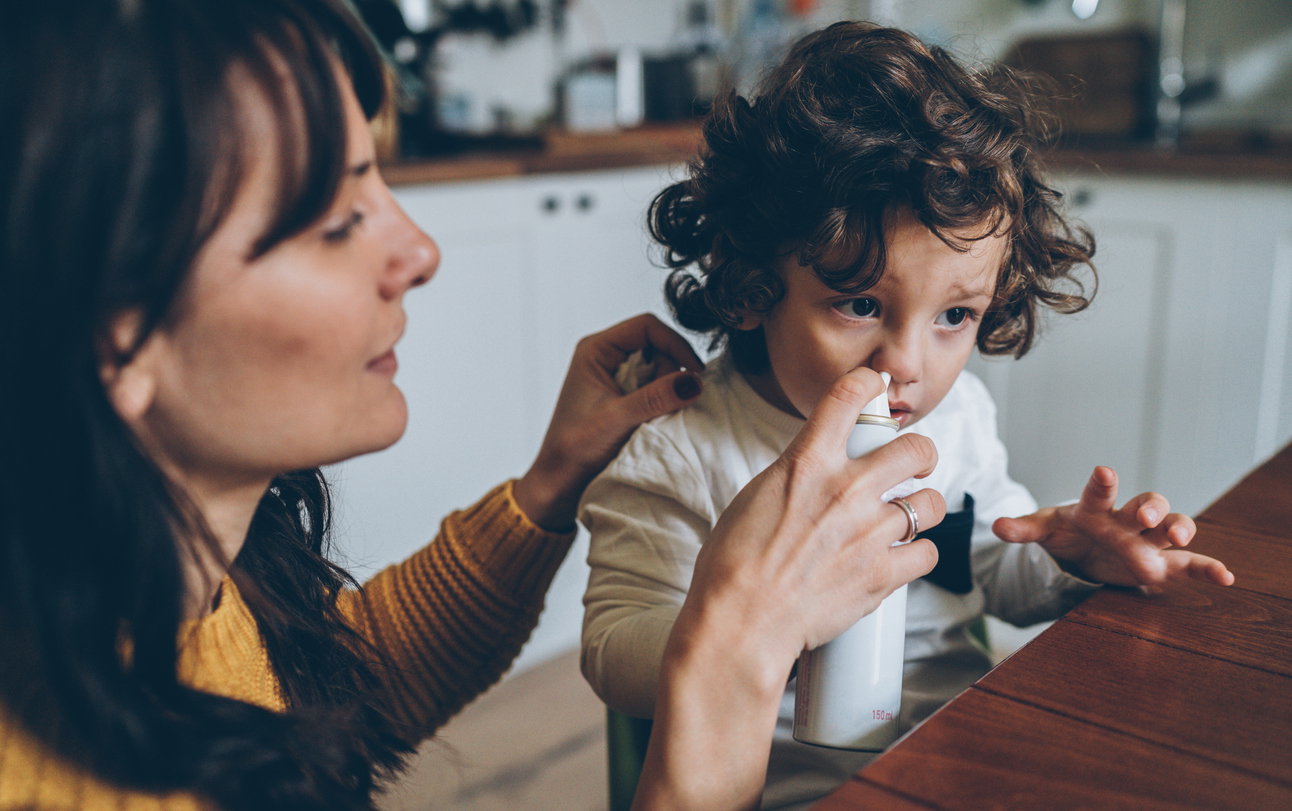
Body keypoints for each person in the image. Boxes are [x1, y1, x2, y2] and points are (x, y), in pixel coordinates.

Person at [0, 2, 947, 810]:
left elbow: (319, 703)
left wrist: (551, 482)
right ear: (115, 335)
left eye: (380, 180)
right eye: (336, 221)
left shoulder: (176, 596)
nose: (419, 250)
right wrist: (734, 645)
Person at [579, 21, 1236, 810]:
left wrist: (1067, 556)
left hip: (963, 756)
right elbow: (611, 650)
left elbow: (993, 573)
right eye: (859, 303)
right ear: (755, 286)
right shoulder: (679, 450)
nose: (907, 364)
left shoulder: (955, 418)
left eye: (954, 316)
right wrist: (751, 631)